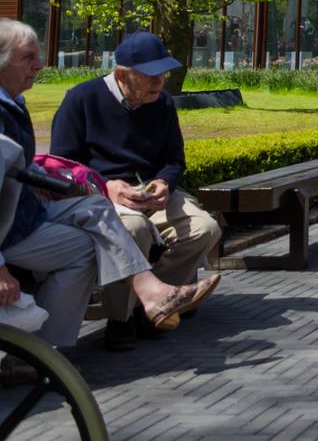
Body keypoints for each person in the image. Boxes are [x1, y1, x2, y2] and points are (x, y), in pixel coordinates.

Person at [0, 21, 220, 355]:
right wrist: (107, 187)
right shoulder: (80, 100)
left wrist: (164, 182)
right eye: (28, 57)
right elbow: (62, 163)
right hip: (82, 200)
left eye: (163, 73)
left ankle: (149, 302)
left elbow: (174, 158)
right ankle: (120, 320)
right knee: (122, 228)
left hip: (136, 196)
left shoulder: (15, 104)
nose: (160, 81)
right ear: (121, 75)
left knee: (205, 228)